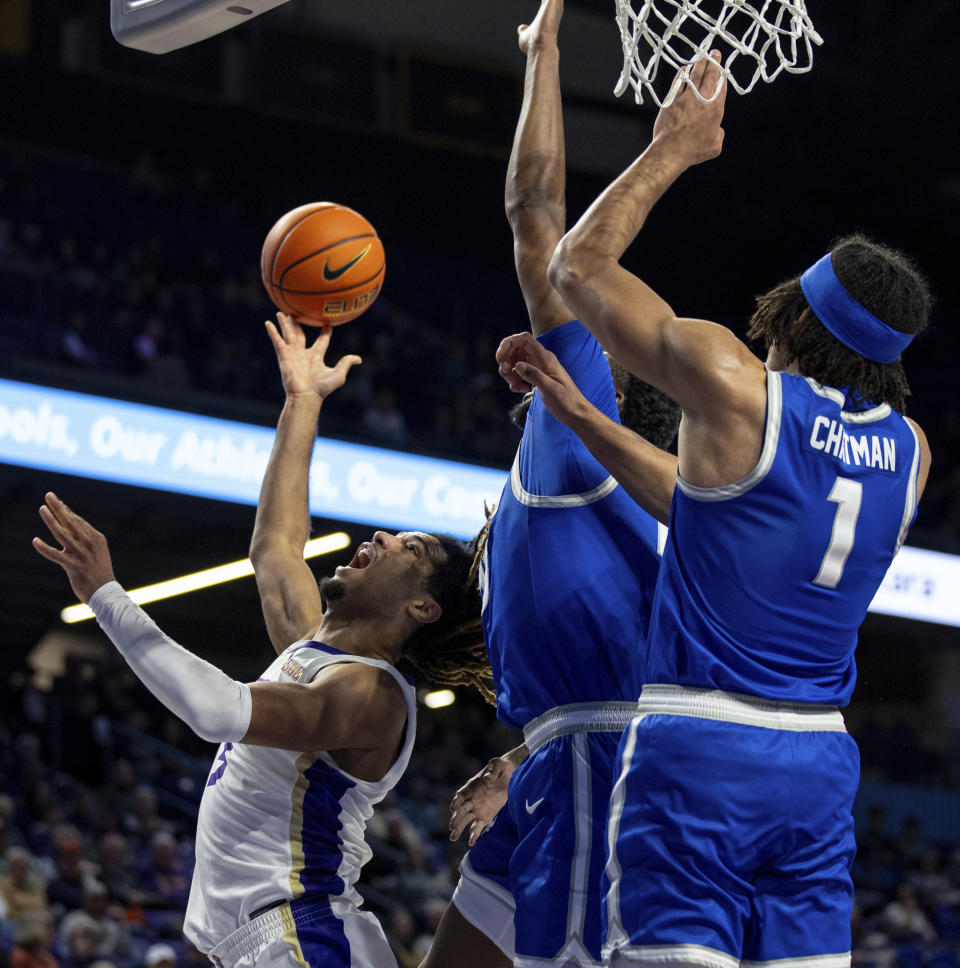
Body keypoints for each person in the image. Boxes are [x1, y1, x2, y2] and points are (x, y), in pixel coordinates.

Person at [498, 51, 932, 968]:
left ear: (793, 320)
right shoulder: (912, 453)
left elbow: (576, 263)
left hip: (703, 746)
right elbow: (717, 509)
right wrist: (584, 419)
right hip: (818, 768)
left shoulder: (739, 386)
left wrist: (675, 149)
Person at [33, 315, 491, 968]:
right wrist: (302, 401)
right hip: (261, 942)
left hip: (307, 939)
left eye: (410, 548)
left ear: (422, 606)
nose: (385, 537)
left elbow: (219, 711)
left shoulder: (372, 693)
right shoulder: (314, 648)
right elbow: (275, 545)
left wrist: (107, 597)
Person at [423, 2, 680, 967]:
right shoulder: (598, 503)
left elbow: (537, 222)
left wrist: (543, 57)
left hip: (598, 769)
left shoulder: (574, 456)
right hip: (560, 759)